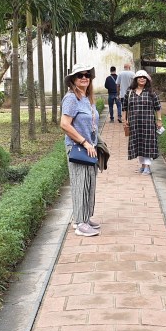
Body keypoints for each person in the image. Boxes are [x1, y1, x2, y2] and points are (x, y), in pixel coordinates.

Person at [60, 63, 101, 237]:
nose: (84, 78)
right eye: (80, 75)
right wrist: (84, 142)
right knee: (80, 184)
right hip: (78, 147)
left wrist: (96, 143)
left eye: (87, 75)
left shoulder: (86, 98)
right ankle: (80, 223)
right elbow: (64, 124)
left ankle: (84, 218)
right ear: (73, 80)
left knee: (88, 183)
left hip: (90, 147)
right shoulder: (71, 98)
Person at [122, 70, 163, 175]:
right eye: (140, 77)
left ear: (147, 80)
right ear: (136, 79)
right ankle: (143, 165)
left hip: (148, 124)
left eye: (144, 77)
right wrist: (124, 120)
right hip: (134, 123)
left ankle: (147, 167)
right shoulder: (130, 92)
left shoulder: (151, 92)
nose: (142, 78)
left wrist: (159, 120)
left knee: (147, 144)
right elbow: (124, 107)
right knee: (138, 144)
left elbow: (158, 107)